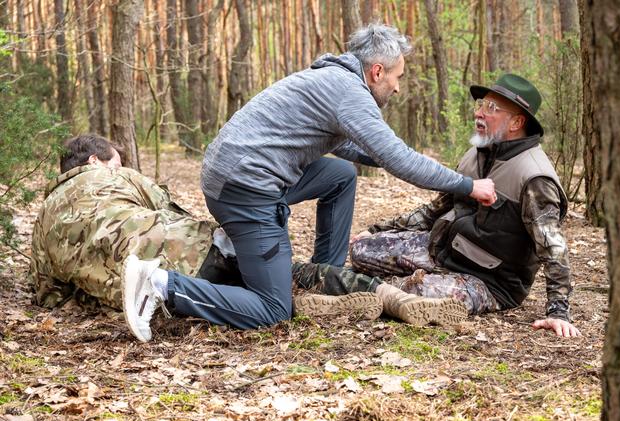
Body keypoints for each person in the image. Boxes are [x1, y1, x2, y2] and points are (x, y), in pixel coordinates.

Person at [121, 23, 491, 342]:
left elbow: (354, 147)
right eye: (398, 77)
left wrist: (397, 159)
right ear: (377, 72)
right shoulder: (349, 92)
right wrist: (468, 186)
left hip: (237, 173)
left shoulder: (331, 80)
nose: (397, 87)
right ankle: (160, 284)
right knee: (272, 309)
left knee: (339, 176)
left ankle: (322, 279)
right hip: (244, 189)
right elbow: (397, 158)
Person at [29, 134, 391, 323]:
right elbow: (168, 211)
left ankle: (361, 295)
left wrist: (101, 286)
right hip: (187, 256)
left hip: (126, 289)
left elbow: (50, 295)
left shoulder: (42, 219)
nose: (120, 166)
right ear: (96, 161)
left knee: (269, 287)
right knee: (283, 289)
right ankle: (387, 293)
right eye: (117, 160)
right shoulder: (116, 178)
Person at [322, 74, 581, 338]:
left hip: (489, 281)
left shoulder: (535, 178)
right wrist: (376, 230)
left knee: (410, 290)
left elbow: (554, 249)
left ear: (516, 122)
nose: (479, 113)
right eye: (480, 105)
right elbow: (435, 210)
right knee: (361, 250)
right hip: (442, 248)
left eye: (491, 109)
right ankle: (369, 290)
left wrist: (558, 313)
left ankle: (349, 291)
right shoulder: (474, 155)